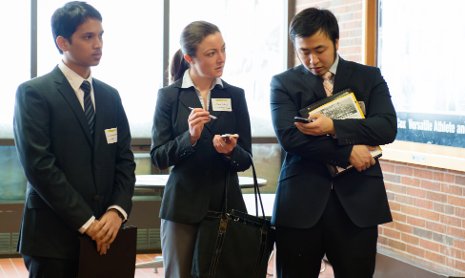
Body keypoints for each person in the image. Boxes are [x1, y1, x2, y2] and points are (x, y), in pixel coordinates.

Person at [270, 7, 397, 278]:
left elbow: (386, 128)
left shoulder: (368, 77)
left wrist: (333, 127)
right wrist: (348, 150)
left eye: (319, 49)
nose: (313, 59)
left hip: (358, 202)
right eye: (304, 51)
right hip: (301, 204)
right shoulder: (283, 84)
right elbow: (291, 139)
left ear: (336, 42)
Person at [13, 1, 136, 277]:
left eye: (101, 35)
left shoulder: (110, 96)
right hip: (53, 239)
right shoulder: (35, 93)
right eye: (88, 37)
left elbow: (125, 160)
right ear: (62, 42)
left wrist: (116, 212)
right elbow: (39, 166)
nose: (98, 44)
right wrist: (87, 222)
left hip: (108, 234)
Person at [150, 20, 252, 277]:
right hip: (183, 207)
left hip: (227, 205)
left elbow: (246, 159)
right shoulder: (170, 96)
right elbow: (158, 157)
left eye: (223, 49)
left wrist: (229, 151)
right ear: (189, 58)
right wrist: (190, 137)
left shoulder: (234, 95)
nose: (222, 58)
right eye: (211, 53)